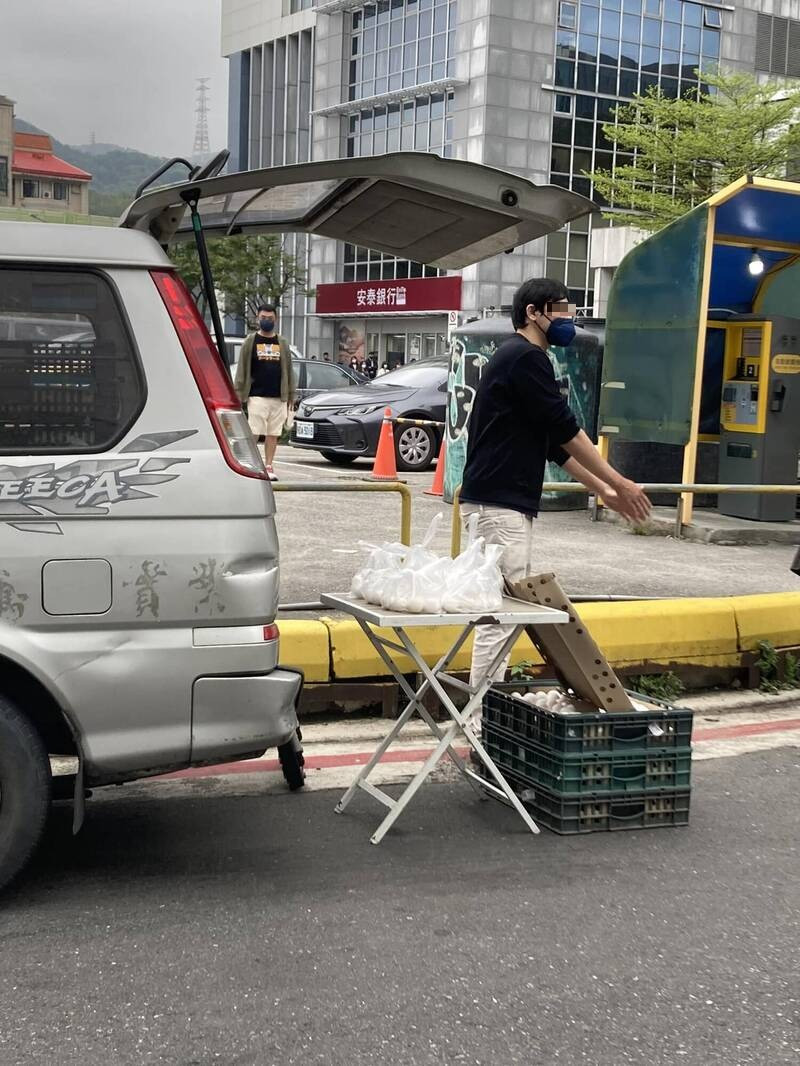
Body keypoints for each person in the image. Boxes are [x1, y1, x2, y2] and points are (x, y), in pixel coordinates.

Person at [461, 277, 651, 692]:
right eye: (560, 309)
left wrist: (602, 490)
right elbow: (566, 430)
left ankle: (481, 713)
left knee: (499, 611)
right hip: (500, 504)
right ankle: (481, 719)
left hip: (495, 502)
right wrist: (621, 481)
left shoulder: (517, 358)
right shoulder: (526, 358)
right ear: (534, 313)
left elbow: (551, 444)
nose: (569, 318)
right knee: (500, 614)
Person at [234, 303, 295, 483]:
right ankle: (250, 463)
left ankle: (268, 465)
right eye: (263, 318)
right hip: (256, 395)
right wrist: (238, 395)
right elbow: (242, 370)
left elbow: (289, 370)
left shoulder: (282, 343)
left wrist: (291, 394)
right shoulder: (250, 341)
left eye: (269, 318)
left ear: (275, 319)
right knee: (254, 430)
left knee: (273, 433)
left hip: (278, 395)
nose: (266, 321)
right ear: (257, 319)